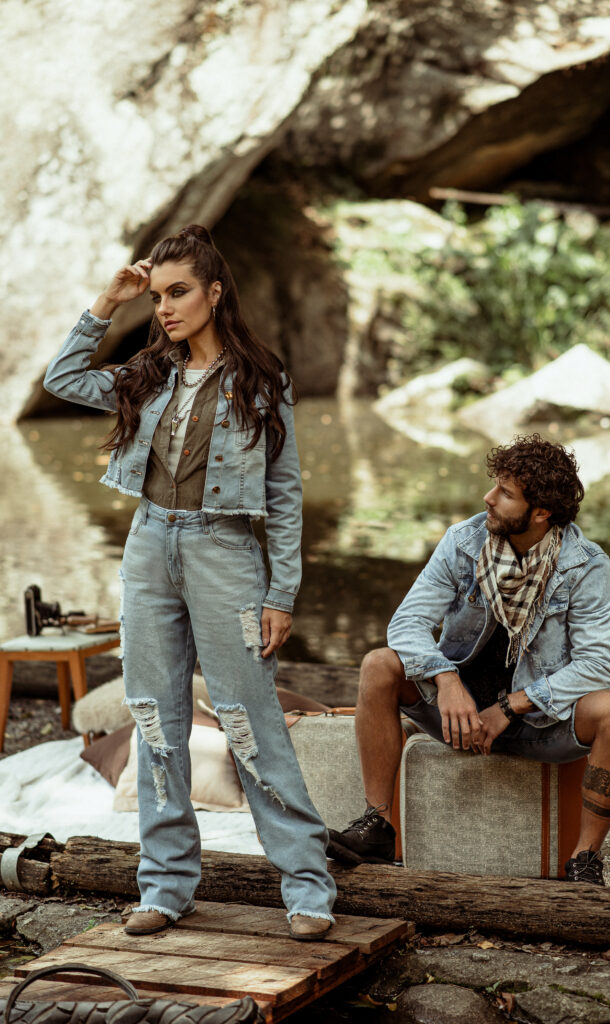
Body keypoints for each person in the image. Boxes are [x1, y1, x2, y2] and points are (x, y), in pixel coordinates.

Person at [44, 225, 335, 939]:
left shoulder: (262, 381)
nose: (165, 308)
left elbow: (285, 493)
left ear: (215, 292)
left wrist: (281, 594)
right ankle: (166, 885)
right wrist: (108, 302)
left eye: (178, 293)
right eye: (157, 297)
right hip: (149, 547)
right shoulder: (147, 374)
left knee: (249, 719)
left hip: (225, 553)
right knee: (154, 718)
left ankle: (306, 887)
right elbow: (62, 378)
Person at [327, 435, 610, 886]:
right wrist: (446, 679)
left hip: (542, 726)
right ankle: (377, 825)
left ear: (541, 513)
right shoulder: (464, 540)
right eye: (495, 485)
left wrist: (511, 706)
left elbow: (598, 665)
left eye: (505, 493)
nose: (488, 498)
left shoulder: (585, 566)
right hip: (458, 716)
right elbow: (408, 623)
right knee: (379, 664)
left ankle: (584, 859)